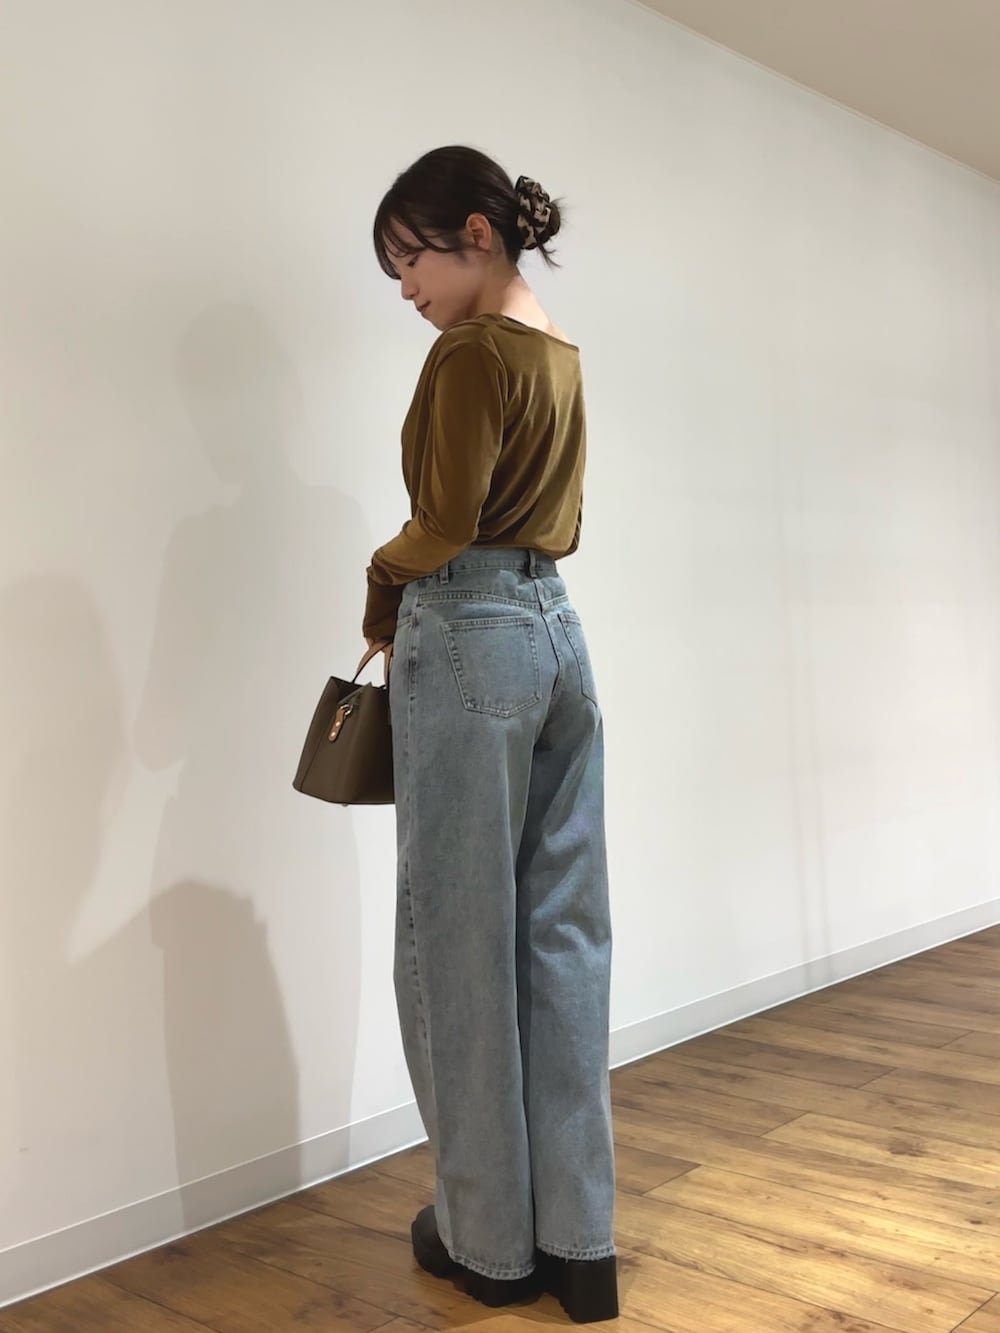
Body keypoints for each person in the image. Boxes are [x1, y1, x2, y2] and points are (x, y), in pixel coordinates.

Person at [363, 145, 618, 1324]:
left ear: (475, 232)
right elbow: (558, 517)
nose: (405, 288)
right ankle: (578, 1241)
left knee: (455, 941)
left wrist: (382, 583)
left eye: (409, 260)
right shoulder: (558, 353)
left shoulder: (468, 352)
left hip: (467, 628)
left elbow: (444, 520)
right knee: (563, 933)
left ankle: (487, 1242)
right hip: (558, 632)